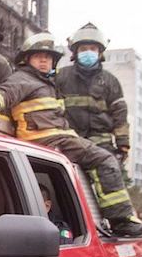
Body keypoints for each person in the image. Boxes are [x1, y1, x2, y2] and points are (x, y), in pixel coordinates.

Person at [0, 33, 142, 238]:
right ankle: (120, 220)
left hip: (57, 136)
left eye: (48, 57)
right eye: (38, 57)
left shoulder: (48, 83)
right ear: (26, 60)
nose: (44, 61)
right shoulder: (24, 78)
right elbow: (7, 92)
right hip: (47, 138)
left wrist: (122, 143)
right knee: (105, 160)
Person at [56, 23, 130, 160]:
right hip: (69, 143)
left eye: (92, 49)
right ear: (75, 53)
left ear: (100, 53)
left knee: (110, 174)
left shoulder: (110, 81)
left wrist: (123, 145)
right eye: (83, 49)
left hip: (102, 145)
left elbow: (120, 115)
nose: (88, 52)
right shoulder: (61, 77)